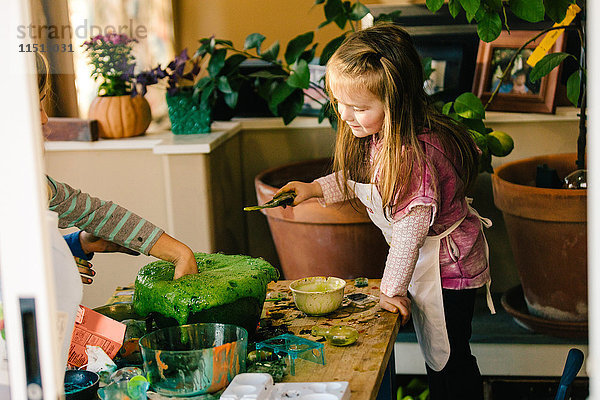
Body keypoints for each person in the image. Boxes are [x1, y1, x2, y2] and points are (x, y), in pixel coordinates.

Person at [275, 23, 494, 400]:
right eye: (339, 102)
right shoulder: (381, 136)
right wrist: (313, 189)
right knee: (439, 357)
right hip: (428, 265)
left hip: (447, 272)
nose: (346, 115)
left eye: (359, 107)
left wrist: (389, 291)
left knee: (450, 359)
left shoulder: (414, 157)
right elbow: (360, 179)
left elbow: (409, 235)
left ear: (397, 103)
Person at [36, 52, 198, 281]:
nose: (44, 118)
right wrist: (49, 268)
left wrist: (78, 243)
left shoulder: (38, 185)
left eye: (42, 102)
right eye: (33, 105)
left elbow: (97, 214)